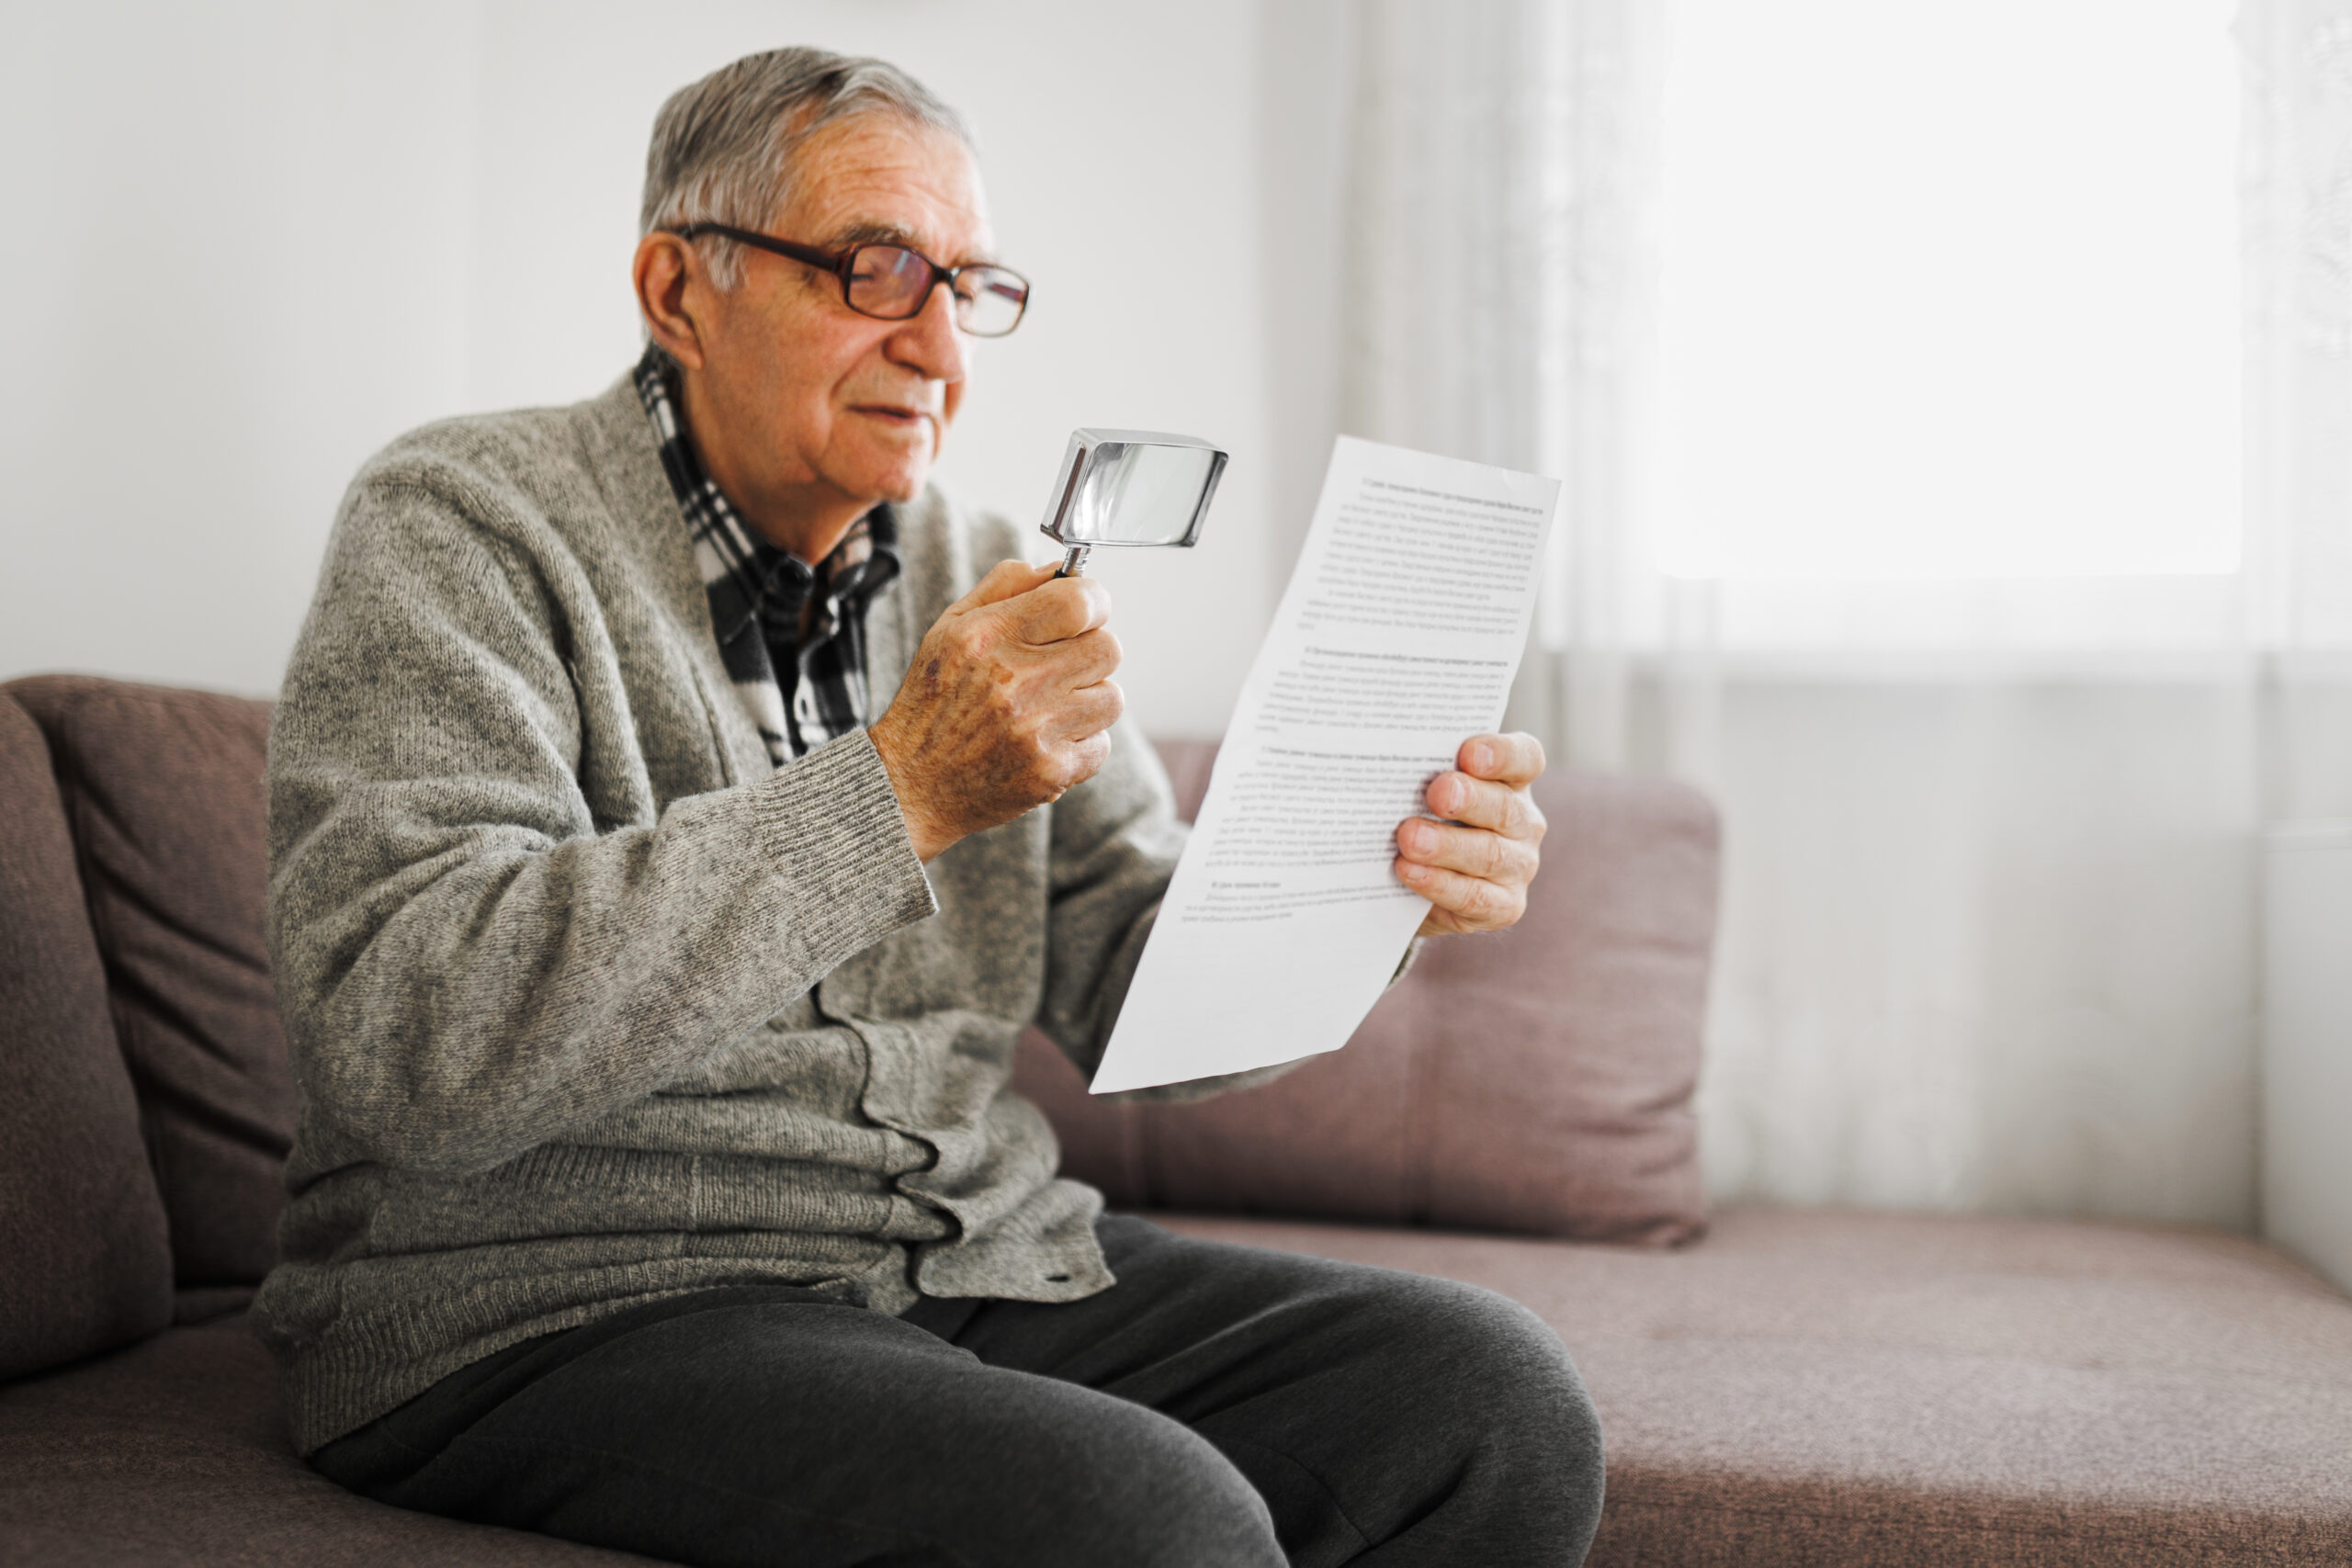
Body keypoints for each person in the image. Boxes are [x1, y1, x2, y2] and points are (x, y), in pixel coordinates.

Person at [256, 45, 1604, 1568]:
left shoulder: (973, 568)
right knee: (1150, 1521)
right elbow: (409, 1038)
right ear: (677, 290)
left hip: (957, 1253)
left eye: (971, 287)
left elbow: (1129, 991)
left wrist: (1375, 877)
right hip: (559, 1299)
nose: (943, 347)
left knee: (1491, 1404)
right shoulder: (463, 525)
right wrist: (899, 792)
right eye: (877, 268)